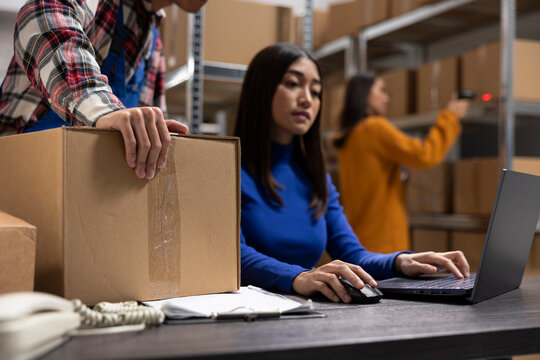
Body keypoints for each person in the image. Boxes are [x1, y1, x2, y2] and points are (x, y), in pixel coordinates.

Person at [235, 43, 470, 303]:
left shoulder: (315, 176)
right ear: (261, 88)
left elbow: (353, 254)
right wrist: (298, 276)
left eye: (315, 91)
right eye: (292, 84)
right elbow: (233, 253)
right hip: (246, 316)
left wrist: (400, 261)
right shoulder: (229, 169)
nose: (307, 99)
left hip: (303, 313)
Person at [0, 0, 208, 179]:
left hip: (90, 191)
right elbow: (39, 16)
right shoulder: (100, 5)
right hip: (21, 178)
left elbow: (148, 147)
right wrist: (104, 110)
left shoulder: (152, 44)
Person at [334, 73, 469, 254]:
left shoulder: (349, 136)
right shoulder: (375, 127)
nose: (387, 98)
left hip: (360, 239)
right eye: (381, 90)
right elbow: (425, 154)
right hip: (384, 244)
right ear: (363, 94)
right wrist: (450, 117)